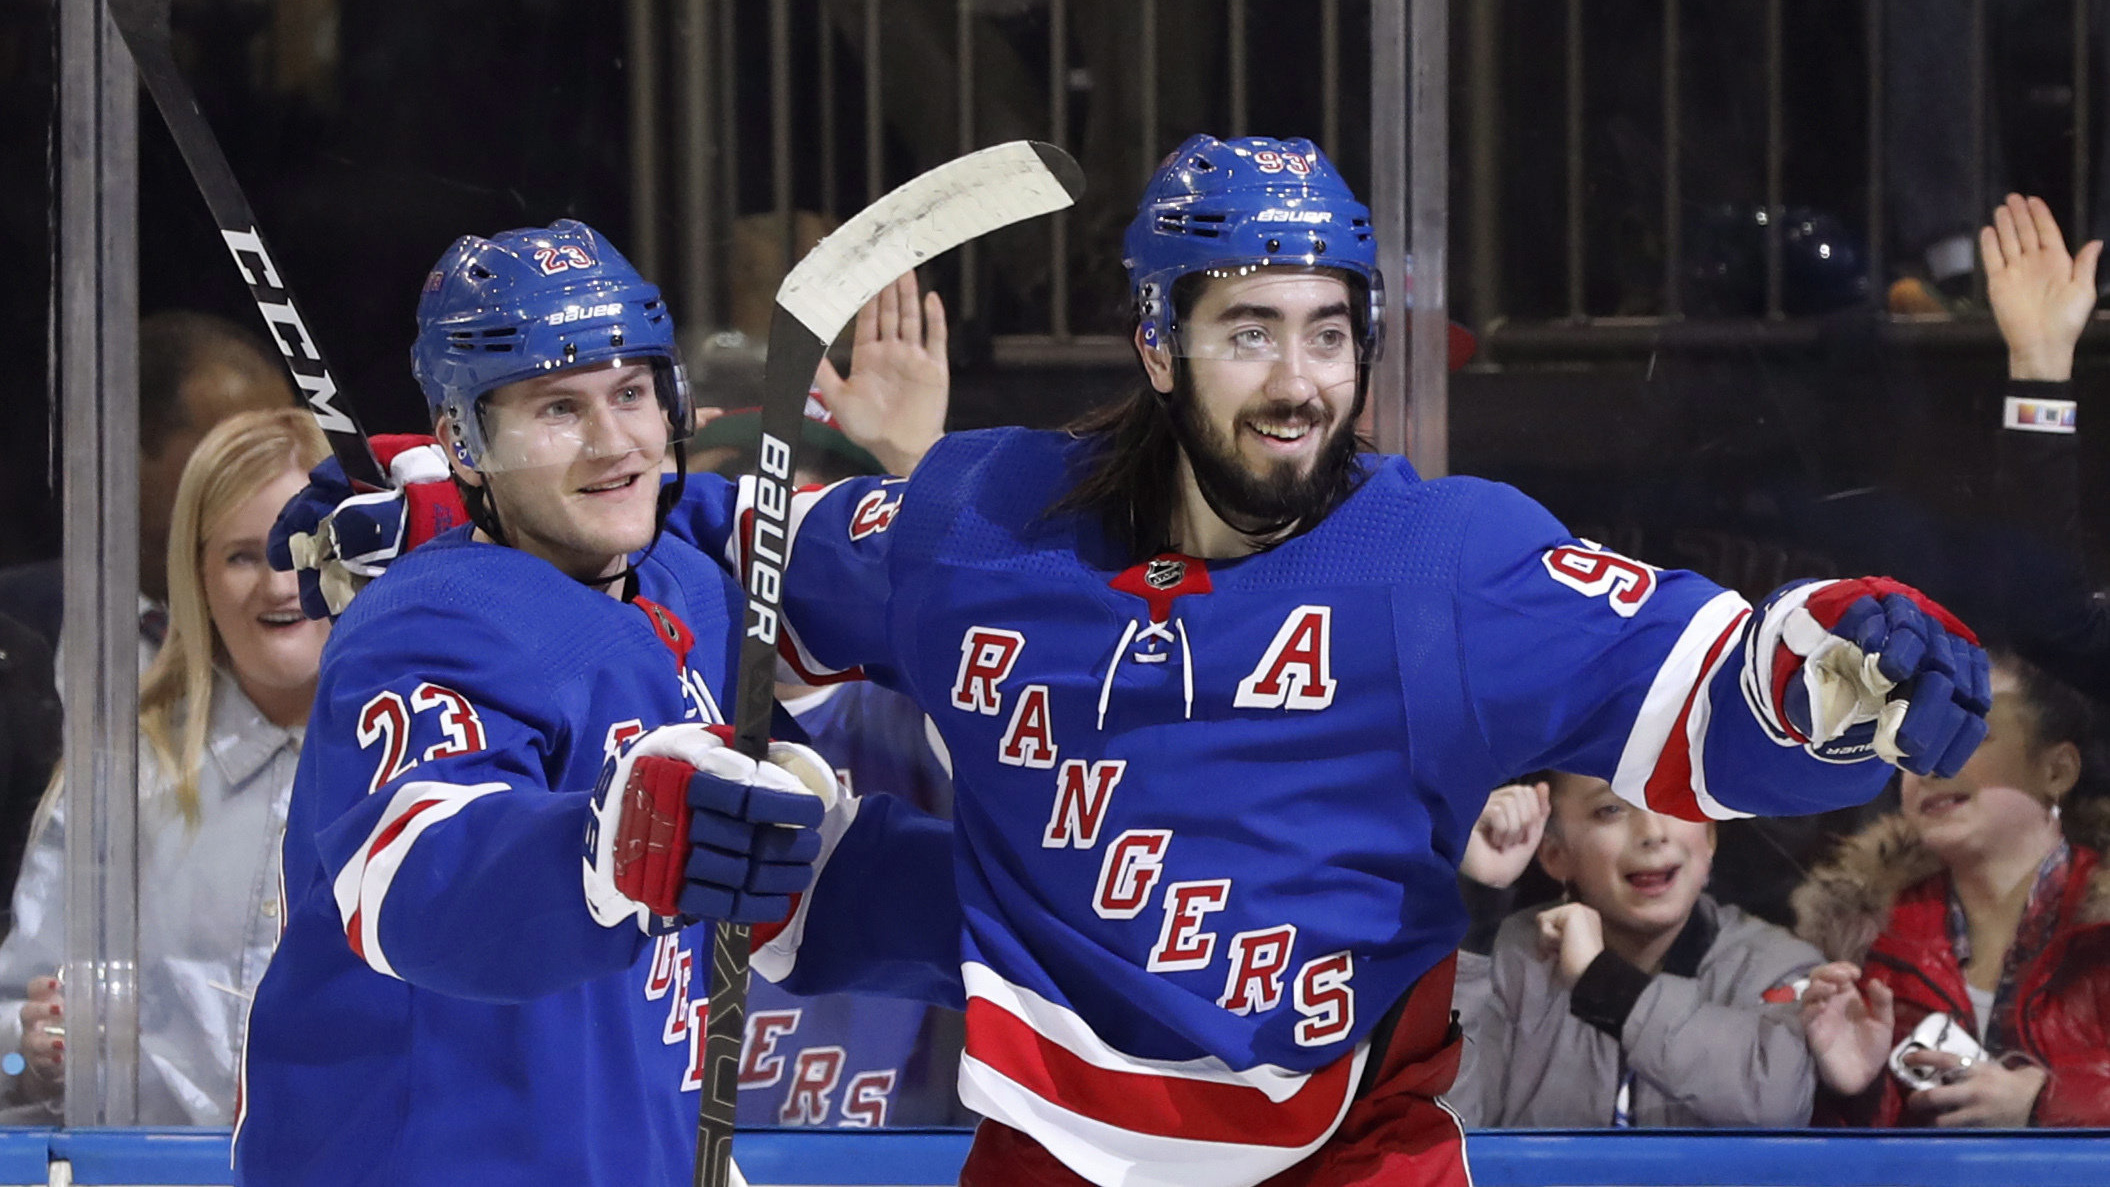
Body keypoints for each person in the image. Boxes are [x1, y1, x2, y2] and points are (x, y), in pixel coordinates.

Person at [280, 137, 1994, 1187]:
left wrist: (1825, 675)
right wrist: (590, 810)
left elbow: (1714, 713)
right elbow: (414, 876)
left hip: (1345, 1162)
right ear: (1155, 344)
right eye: (1252, 330)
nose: (1301, 379)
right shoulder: (984, 529)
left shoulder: (1447, 560)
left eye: (1329, 331)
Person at [234, 220, 957, 1186]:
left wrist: (1025, 914)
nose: (614, 441)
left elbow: (782, 875)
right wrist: (615, 847)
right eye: (558, 408)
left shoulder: (681, 586)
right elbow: (416, 880)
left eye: (630, 392)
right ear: (465, 439)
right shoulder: (425, 624)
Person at [0, 408, 330, 1124]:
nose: (279, 585)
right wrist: (26, 1059)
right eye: (244, 555)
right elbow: (9, 1048)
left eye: (302, 549)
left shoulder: (427, 765)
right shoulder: (118, 779)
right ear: (197, 575)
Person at [1792, 649, 2110, 1128]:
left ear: (2057, 770)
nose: (1928, 762)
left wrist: (2046, 1105)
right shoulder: (1859, 941)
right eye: (1909, 739)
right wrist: (1857, 1091)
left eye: (1968, 734)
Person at [1447, 773, 1822, 1127]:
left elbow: (1780, 1101)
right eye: (1611, 809)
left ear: (1710, 834)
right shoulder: (1510, 958)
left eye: (1674, 798)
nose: (1652, 833)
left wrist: (1604, 983)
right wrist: (1478, 906)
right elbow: (1447, 1126)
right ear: (1554, 854)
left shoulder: (1778, 964)